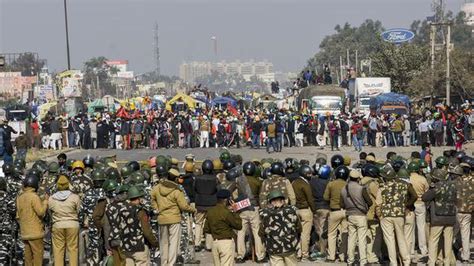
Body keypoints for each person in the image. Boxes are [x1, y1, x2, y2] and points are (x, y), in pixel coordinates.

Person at [151, 168, 196, 266]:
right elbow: (183, 206)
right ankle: (171, 263)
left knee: (163, 243)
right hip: (175, 218)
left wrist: (156, 208)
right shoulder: (177, 190)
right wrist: (193, 210)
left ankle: (164, 263)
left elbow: (152, 197)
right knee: (173, 243)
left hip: (162, 218)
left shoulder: (158, 187)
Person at [375, 165, 417, 266]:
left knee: (390, 241)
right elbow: (414, 196)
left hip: (386, 215)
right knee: (401, 238)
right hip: (399, 215)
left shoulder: (382, 187)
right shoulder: (405, 185)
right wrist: (406, 206)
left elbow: (378, 204)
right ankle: (406, 261)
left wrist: (379, 216)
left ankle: (393, 263)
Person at [259, 190, 301, 265]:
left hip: (274, 248)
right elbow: (299, 228)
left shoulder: (265, 214)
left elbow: (261, 232)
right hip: (290, 246)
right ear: (283, 200)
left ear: (271, 202)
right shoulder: (292, 211)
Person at [340, 170, 372, 265]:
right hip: (361, 215)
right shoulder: (361, 188)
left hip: (350, 215)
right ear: (358, 178)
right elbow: (369, 202)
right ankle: (363, 261)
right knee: (362, 239)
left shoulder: (343, 189)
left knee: (351, 238)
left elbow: (341, 204)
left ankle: (350, 260)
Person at [16, 174, 48, 266]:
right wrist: (45, 202)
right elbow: (41, 212)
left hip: (25, 232)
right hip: (35, 233)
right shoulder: (34, 197)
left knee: (28, 256)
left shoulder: (19, 197)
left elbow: (18, 215)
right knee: (38, 255)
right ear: (35, 185)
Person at [48, 175, 81, 266]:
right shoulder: (75, 197)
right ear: (68, 185)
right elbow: (79, 212)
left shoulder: (52, 198)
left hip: (58, 225)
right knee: (73, 249)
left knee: (58, 250)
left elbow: (49, 213)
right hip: (72, 225)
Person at [122, 185, 159, 265]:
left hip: (126, 246)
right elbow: (146, 231)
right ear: (139, 198)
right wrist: (154, 243)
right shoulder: (141, 211)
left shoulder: (122, 210)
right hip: (139, 246)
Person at [204, 189, 242, 266]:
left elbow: (206, 229)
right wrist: (235, 211)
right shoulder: (226, 212)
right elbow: (238, 226)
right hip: (226, 243)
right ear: (226, 200)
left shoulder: (210, 211)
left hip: (215, 243)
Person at [291, 165, 316, 261]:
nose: (310, 175)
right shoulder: (305, 184)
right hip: (305, 210)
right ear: (305, 174)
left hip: (296, 210)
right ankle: (305, 254)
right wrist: (314, 210)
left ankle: (298, 253)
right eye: (309, 173)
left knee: (297, 233)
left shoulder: (294, 182)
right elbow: (310, 199)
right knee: (305, 234)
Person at [323, 165, 348, 262]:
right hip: (345, 211)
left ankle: (331, 256)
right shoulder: (347, 184)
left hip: (334, 211)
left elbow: (325, 197)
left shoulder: (331, 184)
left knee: (331, 234)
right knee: (344, 234)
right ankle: (343, 256)